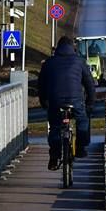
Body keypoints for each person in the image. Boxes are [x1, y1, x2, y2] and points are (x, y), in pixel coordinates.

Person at [38, 36, 96, 170]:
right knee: (82, 120)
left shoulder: (49, 63)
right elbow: (89, 84)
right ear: (73, 48)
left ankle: (54, 156)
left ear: (57, 48)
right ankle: (81, 148)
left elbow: (41, 85)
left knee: (55, 126)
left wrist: (43, 101)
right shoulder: (79, 62)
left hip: (55, 100)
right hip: (75, 100)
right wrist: (90, 103)